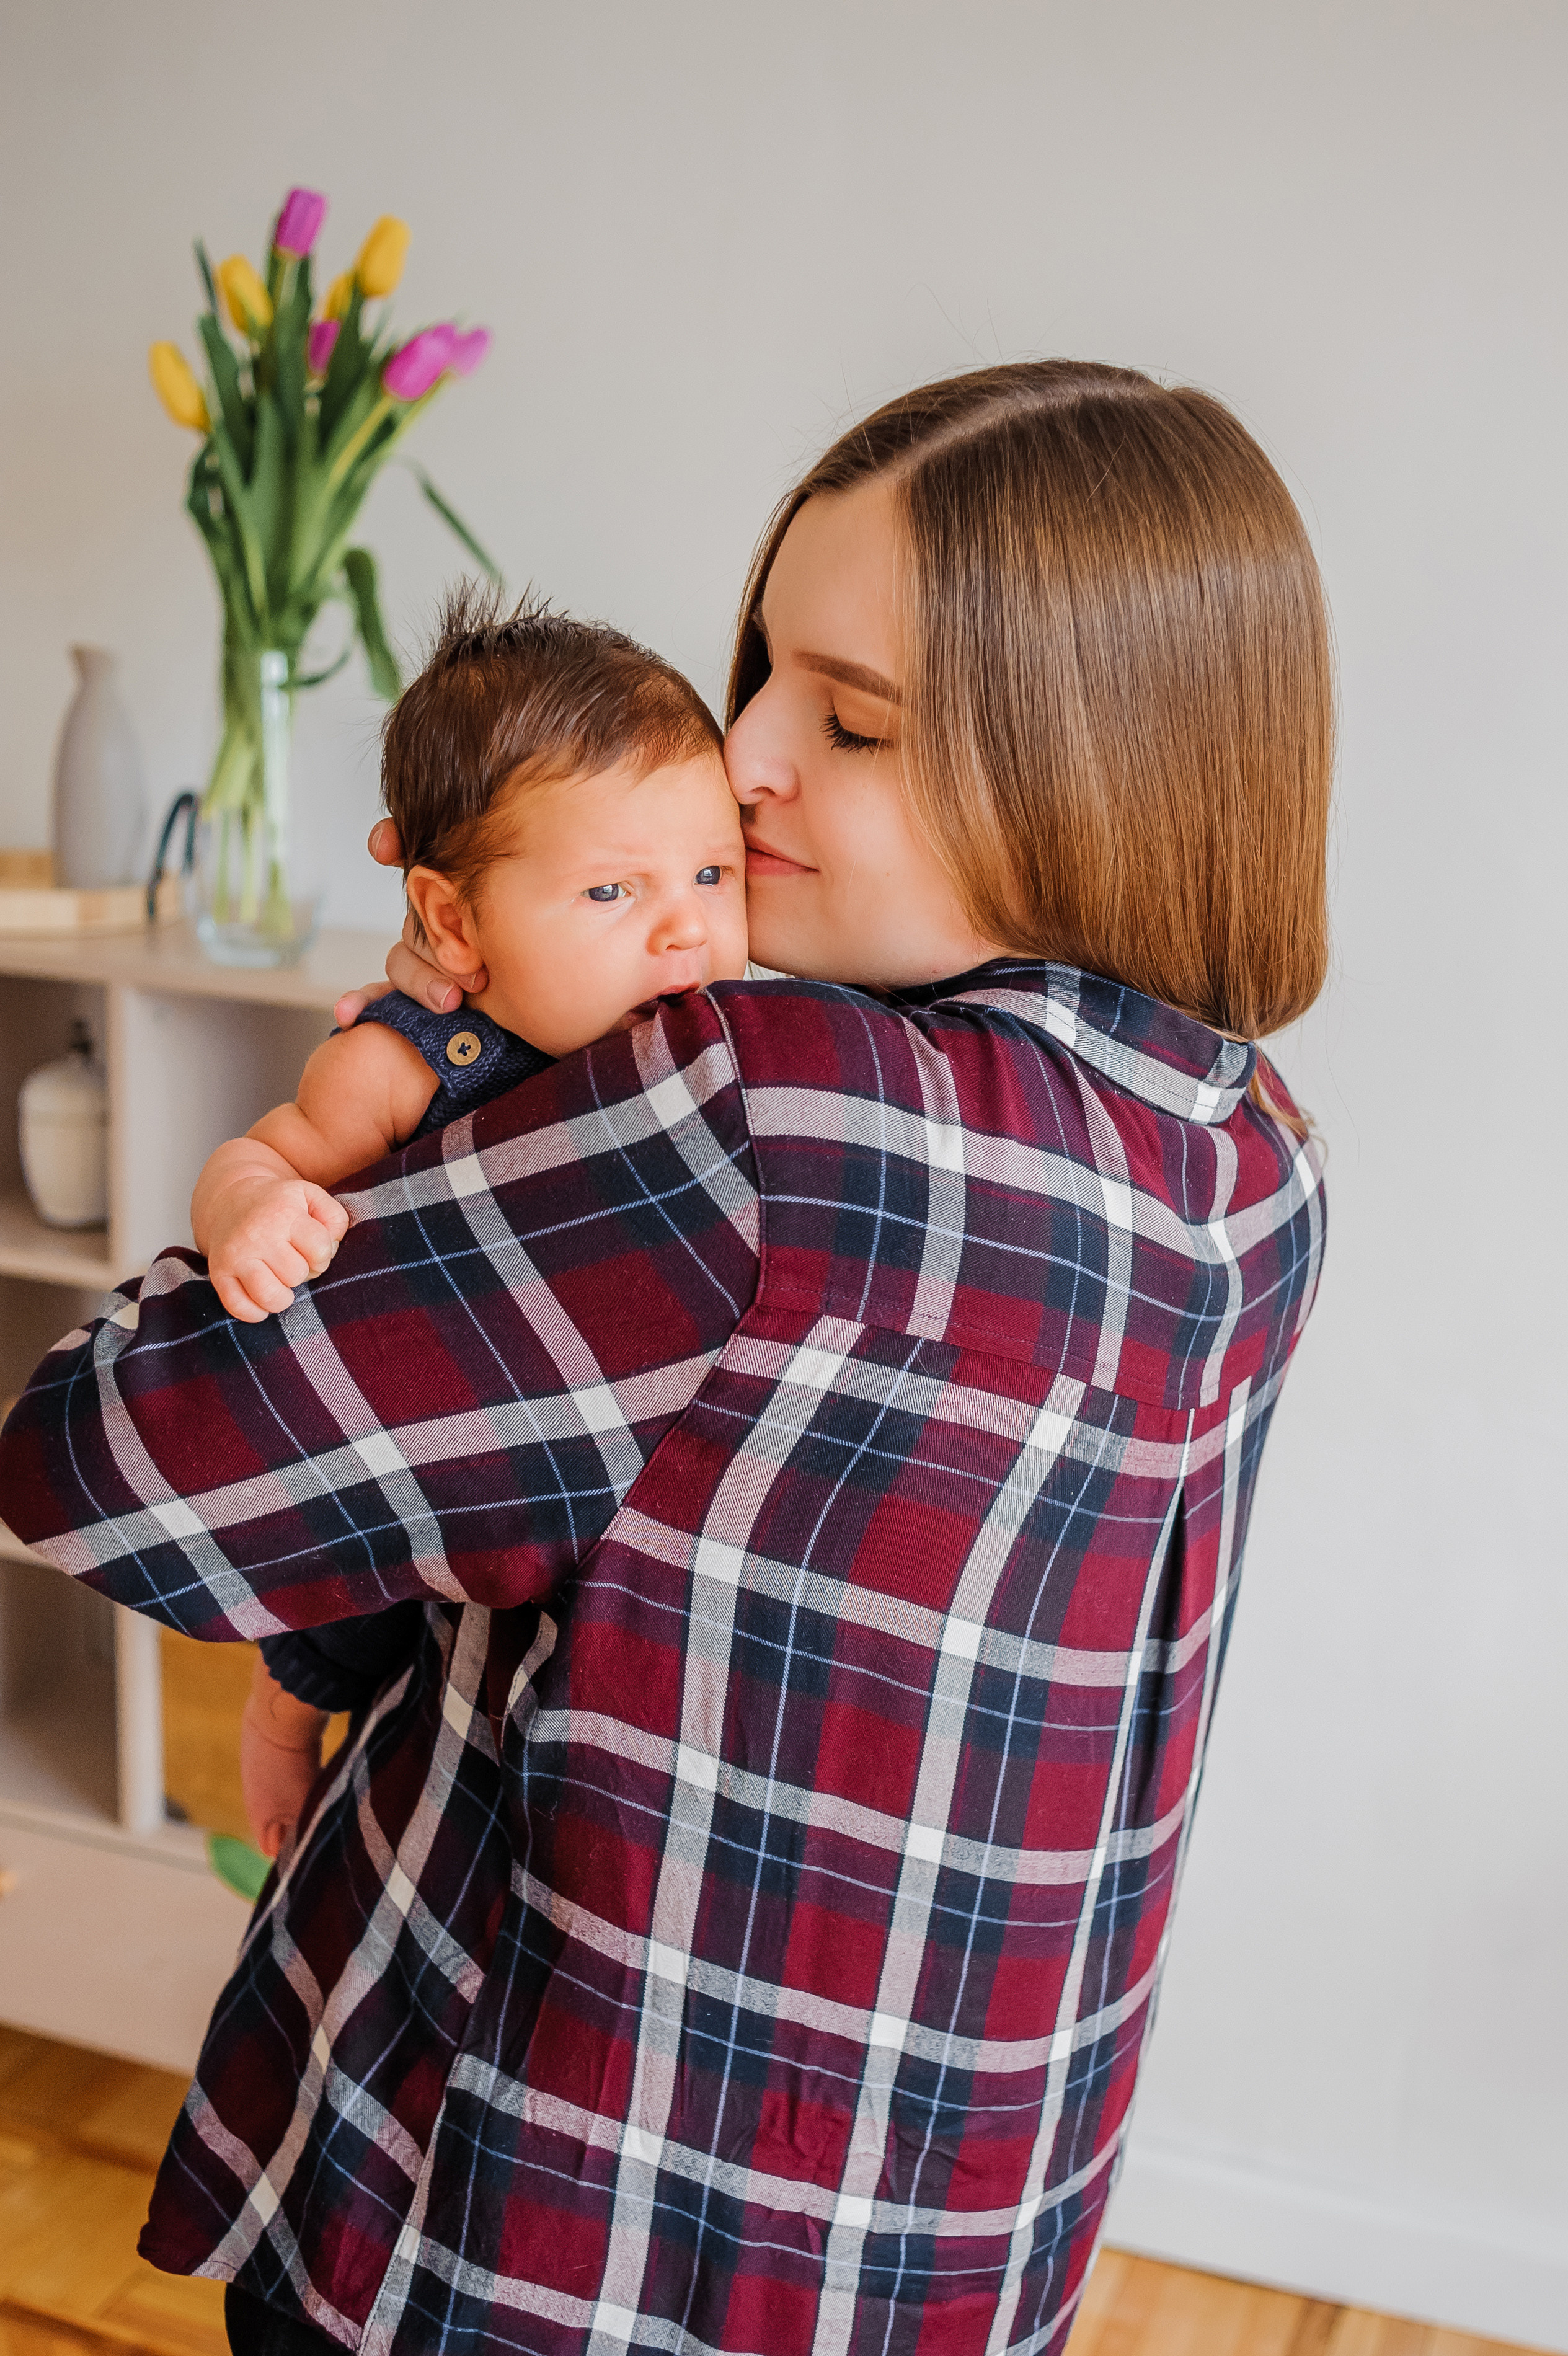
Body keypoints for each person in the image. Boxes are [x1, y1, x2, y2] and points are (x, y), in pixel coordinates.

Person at [0, 359, 1331, 2356]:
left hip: (549, 2224)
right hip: (933, 2238)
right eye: (761, 677)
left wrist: (333, 1137)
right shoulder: (1256, 1167)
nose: (745, 760)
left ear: (1094, 761)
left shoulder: (764, 1112)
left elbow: (104, 1453)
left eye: (849, 715)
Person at [185, 598, 748, 1861]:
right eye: (611, 888)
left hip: (593, 1485)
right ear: (451, 925)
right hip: (423, 1440)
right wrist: (253, 1210)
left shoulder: (720, 1046)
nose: (685, 925)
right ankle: (277, 1723)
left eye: (713, 871)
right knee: (352, 1610)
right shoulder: (414, 1056)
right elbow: (259, 1149)